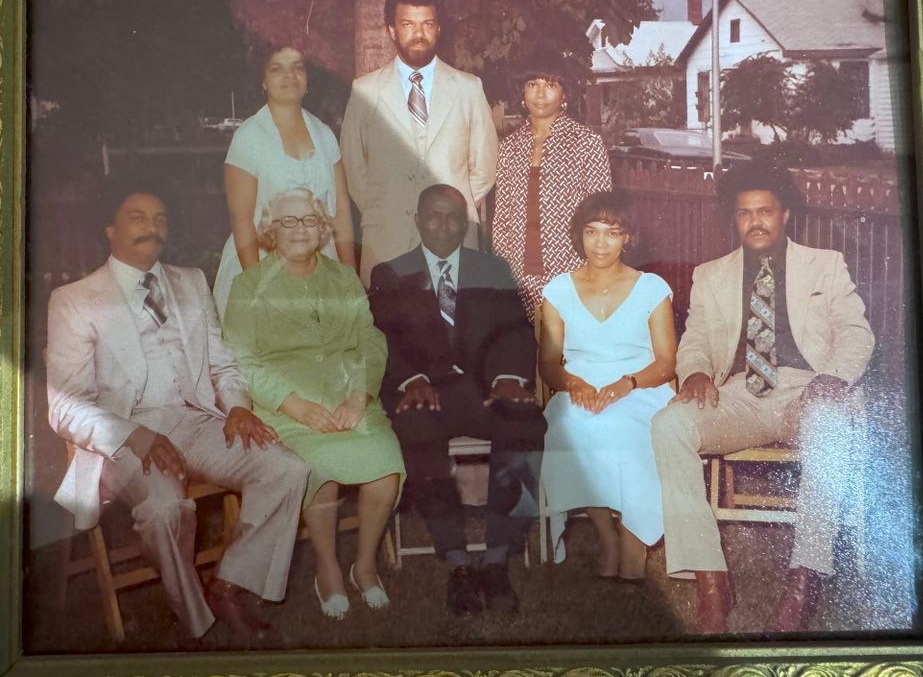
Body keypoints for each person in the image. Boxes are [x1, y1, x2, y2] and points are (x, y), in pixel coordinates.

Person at [45, 186, 309, 642]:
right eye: (137, 216)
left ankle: (230, 584)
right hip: (121, 438)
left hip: (192, 418)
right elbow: (65, 404)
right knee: (166, 508)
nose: (152, 226)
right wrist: (135, 436)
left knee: (287, 467)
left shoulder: (190, 282)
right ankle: (194, 618)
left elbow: (222, 363)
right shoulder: (75, 299)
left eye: (160, 218)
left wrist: (238, 409)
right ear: (110, 229)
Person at [649, 161, 875, 635]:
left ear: (785, 214)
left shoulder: (825, 264)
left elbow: (857, 333)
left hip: (807, 392)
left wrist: (832, 377)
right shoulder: (711, 275)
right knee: (669, 424)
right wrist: (692, 372)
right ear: (734, 218)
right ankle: (711, 580)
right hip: (742, 396)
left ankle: (804, 580)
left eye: (765, 211)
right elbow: (696, 340)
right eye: (745, 213)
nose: (755, 221)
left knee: (830, 428)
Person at [222, 188, 404, 620]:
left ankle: (364, 565)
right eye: (288, 222)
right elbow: (243, 361)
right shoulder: (250, 284)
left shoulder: (342, 276)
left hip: (348, 398)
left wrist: (359, 396)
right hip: (288, 409)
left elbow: (369, 339)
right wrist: (294, 405)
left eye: (308, 220)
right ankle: (327, 567)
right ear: (271, 230)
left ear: (323, 227)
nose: (299, 229)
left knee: (384, 467)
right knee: (319, 469)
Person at [368, 184, 545, 615]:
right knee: (416, 428)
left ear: (466, 223)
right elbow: (381, 338)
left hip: (484, 391)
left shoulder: (493, 269)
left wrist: (506, 377)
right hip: (425, 391)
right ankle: (458, 562)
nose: (444, 226)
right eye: (434, 216)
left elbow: (516, 331)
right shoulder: (390, 273)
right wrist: (411, 379)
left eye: (453, 218)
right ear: (417, 219)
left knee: (524, 424)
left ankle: (498, 557)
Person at [538, 191, 676, 579]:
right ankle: (606, 535)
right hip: (580, 385)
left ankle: (634, 546)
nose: (600, 243)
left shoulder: (651, 287)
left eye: (612, 233)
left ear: (628, 237)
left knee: (627, 431)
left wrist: (628, 383)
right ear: (579, 235)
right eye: (591, 232)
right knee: (568, 427)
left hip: (641, 386)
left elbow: (666, 363)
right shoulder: (558, 290)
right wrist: (573, 383)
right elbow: (548, 363)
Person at [340, 0, 498, 285]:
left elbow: (484, 168)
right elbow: (353, 167)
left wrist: (448, 214)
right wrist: (385, 207)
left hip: (453, 240)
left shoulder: (468, 88)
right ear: (391, 30)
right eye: (408, 24)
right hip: (387, 239)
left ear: (438, 29)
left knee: (453, 328)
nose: (418, 34)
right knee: (388, 328)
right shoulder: (365, 91)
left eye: (427, 24)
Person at [212, 44, 355, 317]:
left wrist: (349, 278)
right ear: (263, 81)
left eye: (297, 67)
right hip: (260, 266)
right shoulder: (249, 136)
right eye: (277, 68)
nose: (289, 76)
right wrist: (260, 288)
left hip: (320, 269)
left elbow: (342, 213)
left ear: (308, 79)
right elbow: (242, 221)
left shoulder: (324, 135)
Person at [492, 56, 612, 319]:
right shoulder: (509, 147)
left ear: (565, 93)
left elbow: (601, 218)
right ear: (522, 93)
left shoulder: (586, 144)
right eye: (532, 84)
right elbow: (501, 219)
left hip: (571, 273)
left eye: (550, 84)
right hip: (519, 276)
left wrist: (593, 274)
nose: (540, 93)